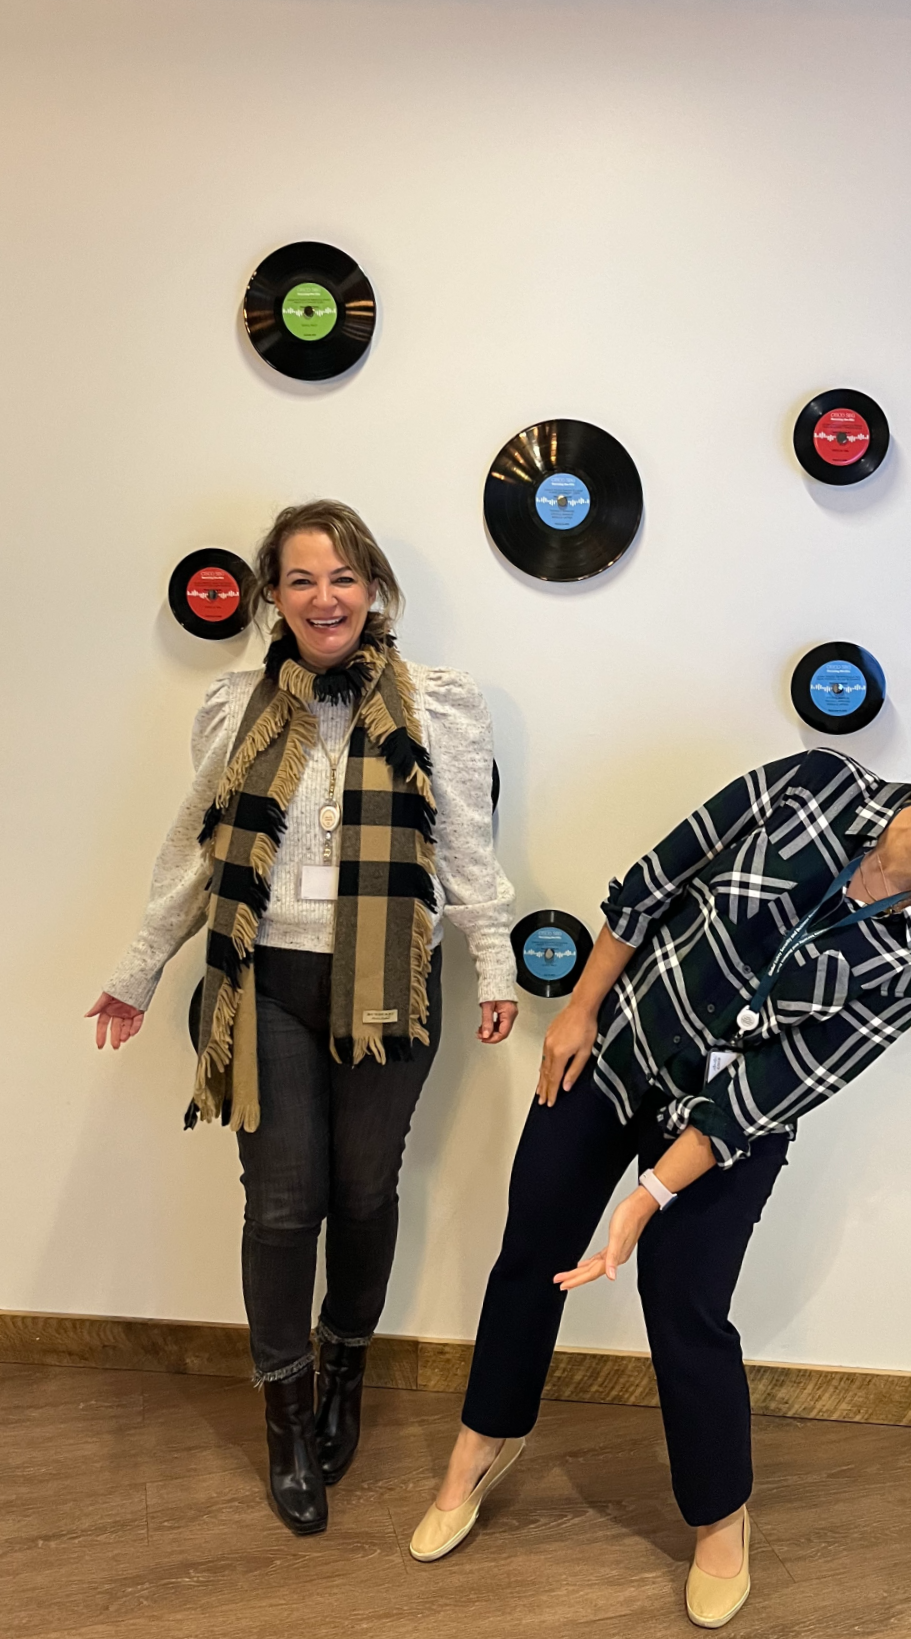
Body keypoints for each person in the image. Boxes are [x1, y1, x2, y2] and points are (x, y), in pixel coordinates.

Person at [409, 734, 911, 1627]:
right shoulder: (813, 782)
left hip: (729, 1124)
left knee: (684, 1306)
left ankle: (720, 1515)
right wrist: (577, 1009)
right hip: (617, 1053)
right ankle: (483, 1441)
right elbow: (654, 881)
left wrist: (648, 1196)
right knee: (530, 1248)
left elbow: (779, 1084)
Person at [89, 500, 518, 1536]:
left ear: (372, 588)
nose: (324, 597)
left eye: (343, 577)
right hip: (263, 979)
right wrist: (140, 969)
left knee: (365, 1191)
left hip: (392, 984)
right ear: (271, 596)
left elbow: (464, 840)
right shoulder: (236, 701)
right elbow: (196, 842)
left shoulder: (441, 704)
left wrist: (496, 959)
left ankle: (345, 1376)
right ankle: (287, 1413)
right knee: (283, 1203)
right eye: (300, 579)